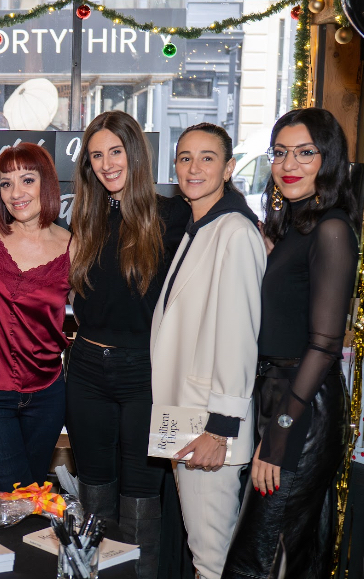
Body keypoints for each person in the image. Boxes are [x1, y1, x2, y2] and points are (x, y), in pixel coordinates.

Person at [223, 108, 358, 579]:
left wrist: (280, 435)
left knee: (250, 563)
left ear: (329, 159)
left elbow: (323, 346)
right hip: (283, 397)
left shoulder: (332, 228)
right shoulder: (296, 225)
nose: (288, 164)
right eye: (280, 153)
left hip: (303, 409)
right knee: (302, 555)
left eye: (305, 152)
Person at [66, 110, 190, 579]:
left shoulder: (173, 214)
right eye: (96, 155)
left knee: (141, 497)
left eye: (115, 152)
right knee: (94, 493)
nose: (106, 163)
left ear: (135, 154)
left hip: (147, 373)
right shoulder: (87, 217)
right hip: (87, 370)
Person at [149, 123, 266, 579]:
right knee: (206, 553)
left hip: (208, 429)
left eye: (207, 158)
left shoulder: (235, 233)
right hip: (187, 419)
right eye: (184, 158)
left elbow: (240, 338)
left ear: (230, 167)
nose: (193, 168)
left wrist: (220, 431)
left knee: (212, 561)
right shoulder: (199, 226)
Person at [0, 143, 71, 492]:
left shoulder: (72, 246)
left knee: (31, 496)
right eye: (5, 183)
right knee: (12, 495)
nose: (16, 192)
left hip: (47, 395)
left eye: (27, 180)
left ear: (46, 184)